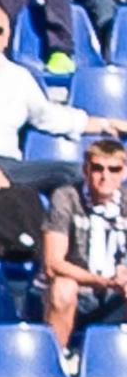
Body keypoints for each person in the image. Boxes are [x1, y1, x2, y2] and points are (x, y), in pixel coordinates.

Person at [0, 3, 125, 207]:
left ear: (6, 37)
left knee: (76, 173)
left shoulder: (18, 76)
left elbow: (48, 116)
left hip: (10, 168)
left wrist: (107, 124)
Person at [44, 139, 127, 347]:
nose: (105, 177)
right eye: (98, 168)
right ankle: (55, 362)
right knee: (64, 287)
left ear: (124, 172)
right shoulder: (66, 197)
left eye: (114, 170)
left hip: (114, 295)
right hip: (78, 290)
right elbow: (53, 264)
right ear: (85, 169)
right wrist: (99, 281)